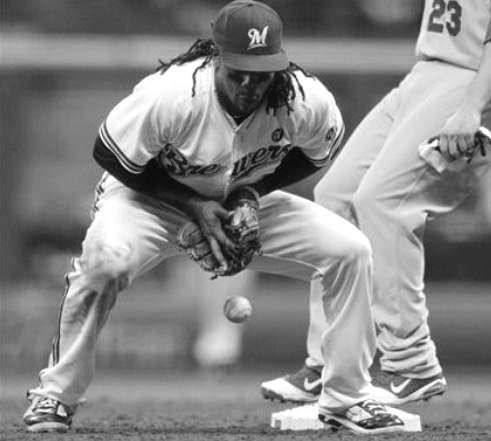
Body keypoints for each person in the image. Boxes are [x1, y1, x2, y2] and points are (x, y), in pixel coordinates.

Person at [22, 0, 413, 435]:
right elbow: (109, 153)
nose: (248, 84)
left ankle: (347, 397)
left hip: (236, 202)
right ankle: (56, 395)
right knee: (105, 262)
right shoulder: (172, 94)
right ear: (216, 57)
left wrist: (251, 192)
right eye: (237, 71)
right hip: (148, 201)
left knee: (350, 251)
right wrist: (192, 205)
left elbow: (319, 151)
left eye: (260, 73)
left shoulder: (303, 99)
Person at [261, 0, 491, 406]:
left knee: (384, 202)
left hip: (472, 80)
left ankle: (412, 363)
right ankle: (331, 363)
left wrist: (473, 108)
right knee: (335, 196)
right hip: (427, 71)